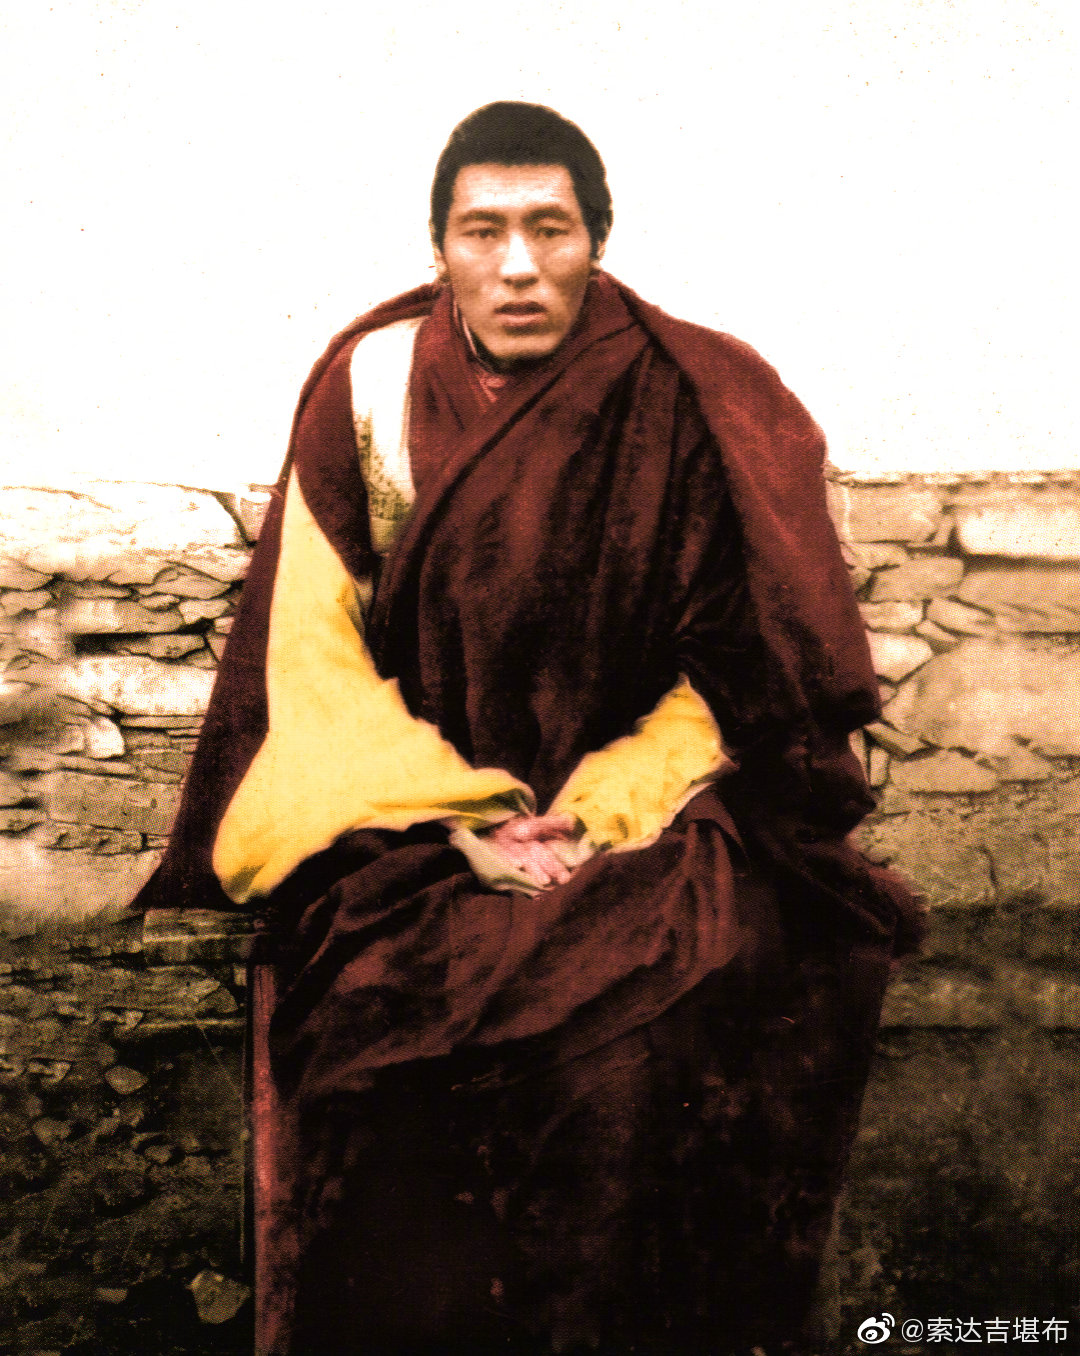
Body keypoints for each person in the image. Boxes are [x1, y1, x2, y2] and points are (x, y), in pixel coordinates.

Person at [133, 102, 922, 1355]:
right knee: (385, 1012)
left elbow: (737, 665)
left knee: (672, 1010)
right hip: (415, 823)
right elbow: (315, 658)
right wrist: (466, 818)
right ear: (439, 246)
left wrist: (601, 813)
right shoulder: (370, 387)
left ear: (597, 240)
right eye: (482, 230)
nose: (516, 265)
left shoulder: (688, 391)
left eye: (549, 229)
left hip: (642, 818)